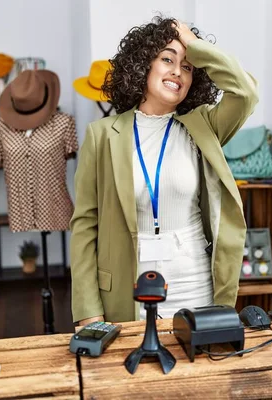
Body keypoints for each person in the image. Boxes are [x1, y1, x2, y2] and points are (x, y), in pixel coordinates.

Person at [70, 16, 258, 327]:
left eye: (187, 67)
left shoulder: (203, 126)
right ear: (144, 65)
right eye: (167, 59)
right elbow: (85, 227)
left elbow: (246, 93)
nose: (177, 71)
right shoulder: (101, 135)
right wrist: (89, 311)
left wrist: (196, 46)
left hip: (195, 282)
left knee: (197, 370)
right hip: (129, 287)